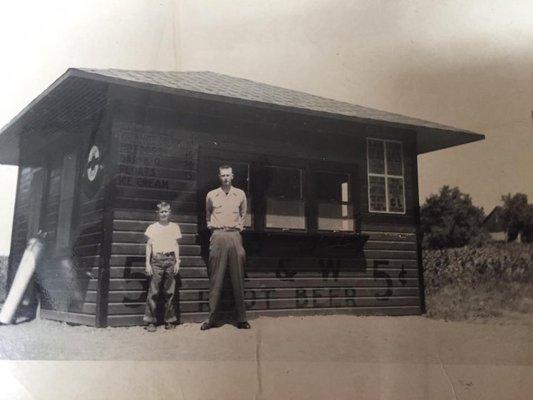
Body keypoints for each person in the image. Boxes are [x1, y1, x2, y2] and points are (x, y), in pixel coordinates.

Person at [201, 165, 250, 330]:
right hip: (218, 235)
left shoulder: (240, 194)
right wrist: (210, 225)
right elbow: (207, 214)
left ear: (233, 176)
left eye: (228, 175)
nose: (226, 178)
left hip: (234, 236)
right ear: (219, 177)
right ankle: (211, 319)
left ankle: (242, 319)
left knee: (238, 278)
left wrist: (239, 227)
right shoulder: (211, 195)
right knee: (216, 278)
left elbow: (244, 214)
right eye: (223, 175)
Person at [143, 201, 182, 332]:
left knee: (170, 291)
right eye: (161, 212)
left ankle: (169, 321)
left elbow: (176, 245)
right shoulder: (153, 227)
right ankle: (150, 321)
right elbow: (149, 245)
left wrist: (177, 261)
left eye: (166, 212)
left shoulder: (174, 227)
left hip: (170, 260)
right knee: (153, 291)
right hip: (156, 261)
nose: (164, 214)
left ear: (169, 213)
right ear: (157, 213)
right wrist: (147, 263)